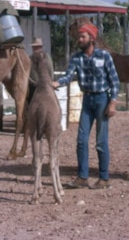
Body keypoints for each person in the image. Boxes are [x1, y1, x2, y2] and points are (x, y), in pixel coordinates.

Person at [52, 21, 119, 189]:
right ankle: (82, 177)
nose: (80, 39)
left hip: (102, 100)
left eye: (83, 36)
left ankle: (104, 178)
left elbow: (114, 81)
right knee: (81, 140)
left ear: (92, 38)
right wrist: (57, 83)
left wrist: (113, 102)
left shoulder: (104, 56)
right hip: (87, 101)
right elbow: (68, 76)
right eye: (79, 37)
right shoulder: (76, 58)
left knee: (101, 141)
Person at [26, 37, 54, 104]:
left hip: (45, 86)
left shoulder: (46, 57)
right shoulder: (30, 58)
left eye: (37, 47)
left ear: (40, 47)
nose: (35, 49)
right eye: (34, 47)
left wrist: (51, 83)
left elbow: (51, 70)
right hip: (33, 87)